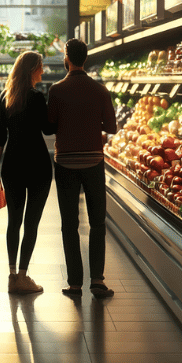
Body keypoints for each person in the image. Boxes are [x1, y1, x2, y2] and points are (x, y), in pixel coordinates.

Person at [47, 38, 117, 298]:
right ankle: (97, 280)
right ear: (85, 59)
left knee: (69, 223)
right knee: (98, 221)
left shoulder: (56, 90)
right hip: (93, 162)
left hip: (65, 162)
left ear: (67, 58)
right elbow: (111, 127)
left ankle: (75, 282)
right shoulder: (100, 90)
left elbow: (49, 126)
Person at [0, 51, 53, 294]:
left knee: (14, 221)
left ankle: (11, 276)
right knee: (31, 223)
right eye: (40, 67)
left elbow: (2, 135)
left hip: (12, 165)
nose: (43, 71)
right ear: (31, 70)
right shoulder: (37, 98)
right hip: (37, 165)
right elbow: (48, 130)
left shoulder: (5, 97)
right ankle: (23, 277)